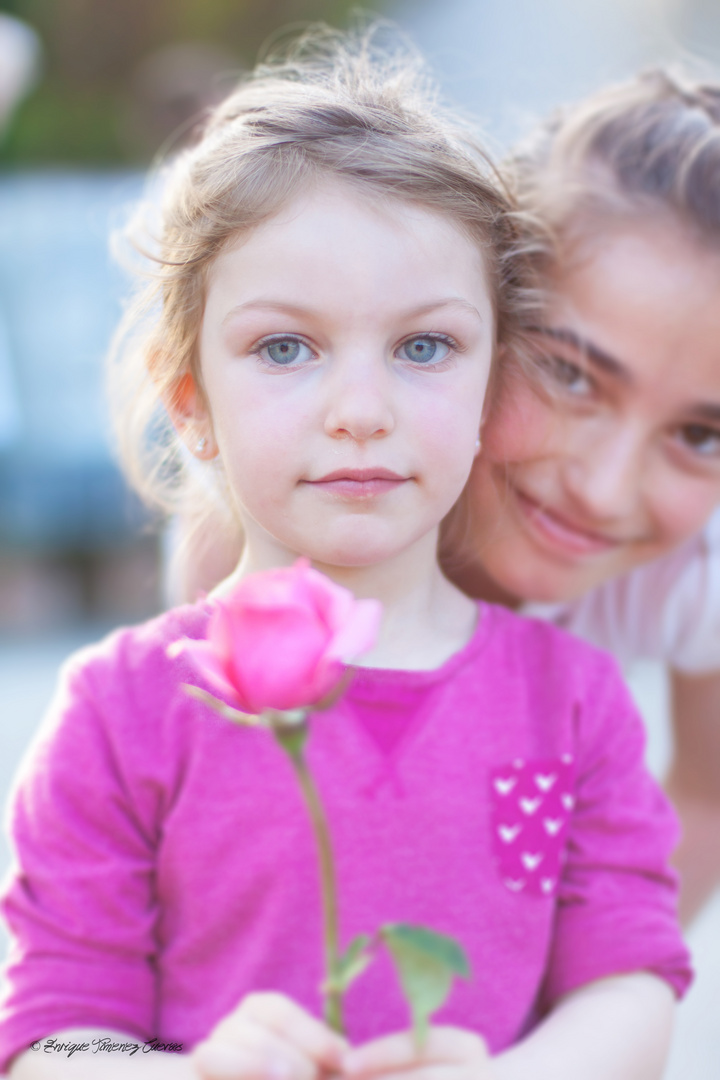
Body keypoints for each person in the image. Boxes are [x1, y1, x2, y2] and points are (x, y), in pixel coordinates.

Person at [0, 29, 690, 1080]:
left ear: (491, 388)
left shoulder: (577, 703)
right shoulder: (120, 709)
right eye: (286, 347)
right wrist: (184, 1076)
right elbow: (55, 1033)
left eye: (425, 347)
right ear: (192, 405)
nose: (361, 411)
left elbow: (628, 983)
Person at [447, 69, 720, 925]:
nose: (604, 492)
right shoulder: (293, 519)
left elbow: (705, 800)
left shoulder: (692, 576)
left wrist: (580, 1007)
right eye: (569, 374)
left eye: (701, 436)